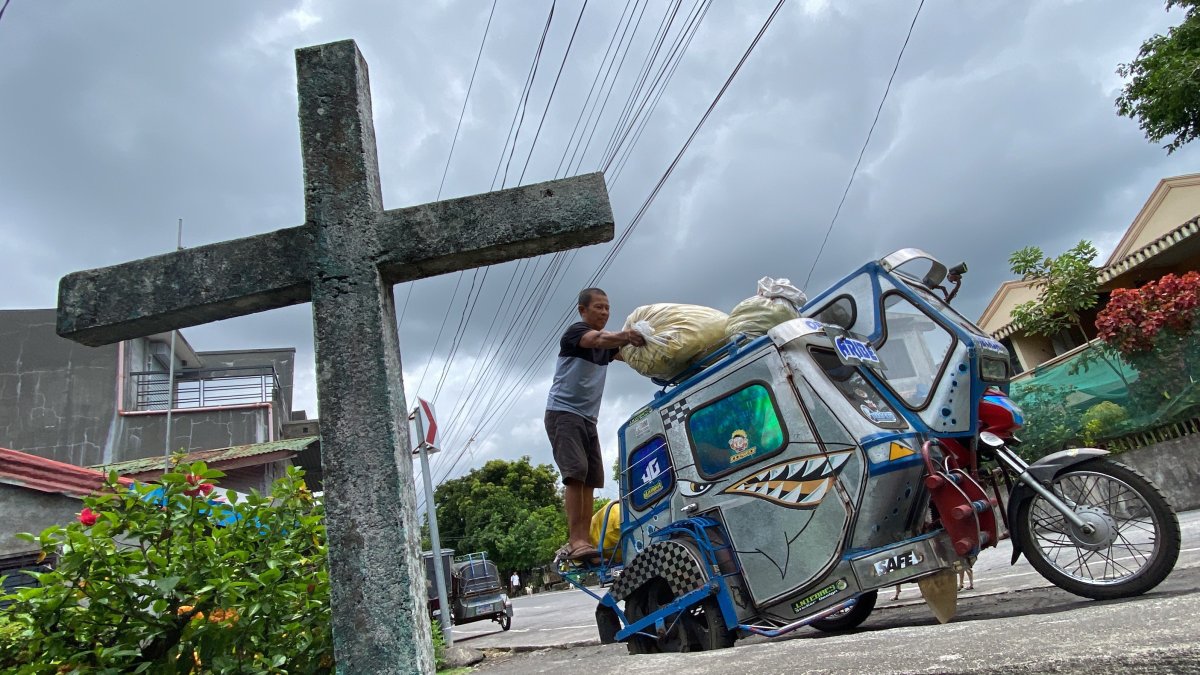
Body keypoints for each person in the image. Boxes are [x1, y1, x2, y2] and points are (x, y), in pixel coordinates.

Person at [546, 288, 645, 563]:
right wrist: (627, 335)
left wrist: (655, 348)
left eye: (607, 308)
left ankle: (584, 540)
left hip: (588, 419)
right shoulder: (577, 334)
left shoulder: (605, 347)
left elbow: (628, 356)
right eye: (598, 307)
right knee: (575, 473)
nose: (604, 312)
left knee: (590, 478)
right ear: (583, 310)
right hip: (563, 413)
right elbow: (598, 339)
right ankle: (576, 540)